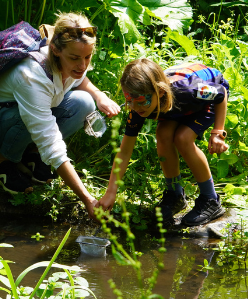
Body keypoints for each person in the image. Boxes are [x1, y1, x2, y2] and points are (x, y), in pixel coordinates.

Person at [0, 12, 121, 218]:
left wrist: (99, 95)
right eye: (75, 58)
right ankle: (2, 163)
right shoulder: (32, 76)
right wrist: (88, 199)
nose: (83, 65)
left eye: (88, 57)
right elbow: (51, 143)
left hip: (20, 117)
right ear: (55, 50)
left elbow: (79, 79)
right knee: (31, 118)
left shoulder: (72, 61)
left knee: (85, 102)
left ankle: (32, 155)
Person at [97, 58, 230, 227]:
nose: (135, 108)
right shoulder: (138, 106)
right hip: (173, 104)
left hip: (206, 100)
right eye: (129, 101)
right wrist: (111, 192)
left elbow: (220, 94)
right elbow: (124, 152)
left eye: (140, 102)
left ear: (159, 91)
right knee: (163, 133)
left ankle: (211, 200)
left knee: (182, 138)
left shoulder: (188, 89)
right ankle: (175, 196)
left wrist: (218, 132)